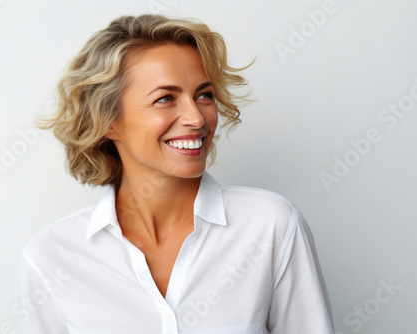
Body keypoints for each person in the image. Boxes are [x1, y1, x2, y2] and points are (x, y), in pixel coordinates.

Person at [20, 14, 334, 334]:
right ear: (107, 120)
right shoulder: (51, 257)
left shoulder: (271, 226)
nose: (197, 117)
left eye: (204, 95)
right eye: (166, 98)